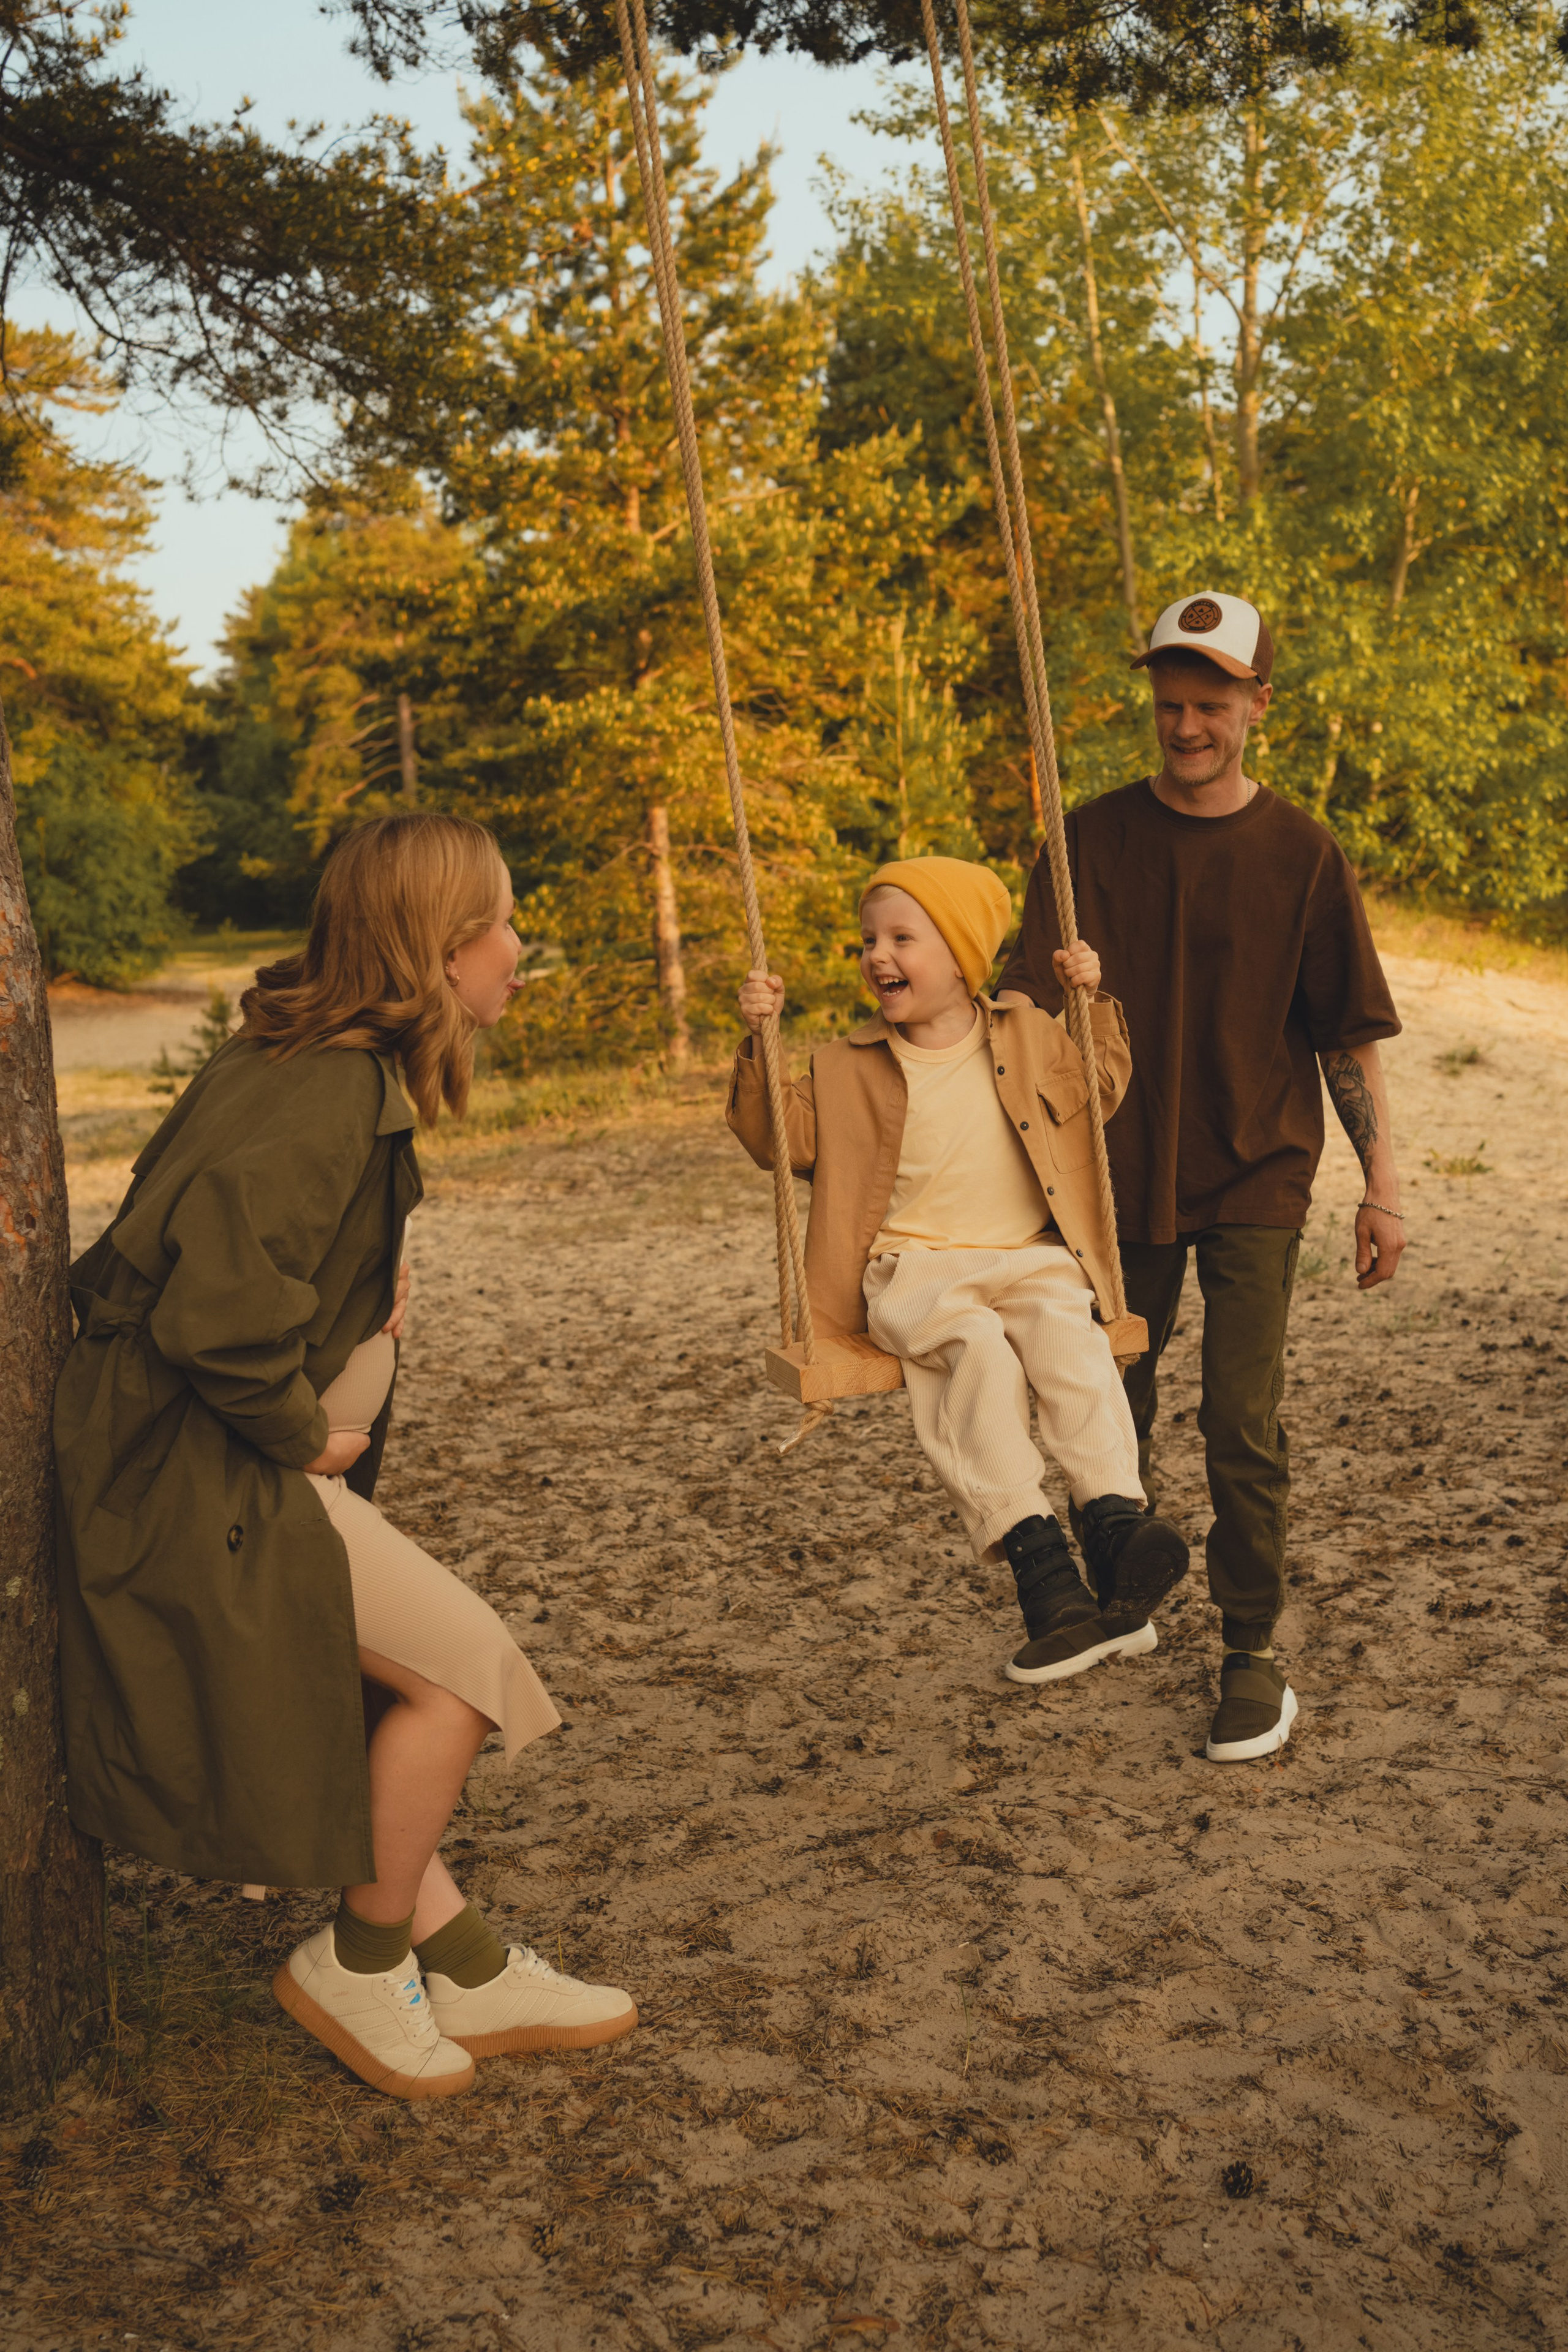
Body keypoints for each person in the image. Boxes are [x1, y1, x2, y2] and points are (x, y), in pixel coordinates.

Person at [55, 812, 636, 2101]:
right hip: (189, 1473)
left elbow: (234, 1249)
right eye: (500, 922)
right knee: (462, 1675)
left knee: (419, 1670)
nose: (517, 948)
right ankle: (361, 1964)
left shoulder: (295, 1058)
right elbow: (214, 1315)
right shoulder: (323, 1088)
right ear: (440, 947)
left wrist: (355, 1304)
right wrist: (294, 1428)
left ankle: (469, 1968)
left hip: (190, 1452)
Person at [1000, 592, 1405, 1763]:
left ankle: (1250, 1654)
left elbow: (1344, 1036)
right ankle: (1121, 1601)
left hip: (1259, 1172)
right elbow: (1020, 1009)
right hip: (1115, 1177)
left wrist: (1386, 1186)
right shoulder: (1087, 842)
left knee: (1241, 1417)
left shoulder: (1302, 855)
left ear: (1257, 707)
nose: (1186, 725)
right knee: (1105, 1405)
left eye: (1210, 704)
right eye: (1171, 704)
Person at [728, 856, 1189, 1685]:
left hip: (1028, 1256)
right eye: (870, 939)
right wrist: (760, 1040)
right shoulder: (847, 1065)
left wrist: (1090, 998)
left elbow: (1101, 1086)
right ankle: (1040, 1563)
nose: (878, 955)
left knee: (1074, 1343)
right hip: (917, 1269)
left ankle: (1116, 1526)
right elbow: (779, 1142)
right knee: (973, 1352)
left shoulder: (1027, 1030)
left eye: (903, 937)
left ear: (966, 957)